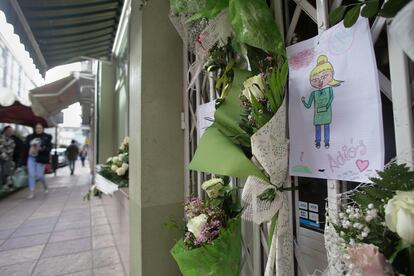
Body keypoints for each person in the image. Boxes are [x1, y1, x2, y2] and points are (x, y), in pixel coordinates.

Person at [301, 55, 343, 149]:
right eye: (315, 79)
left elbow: (331, 98)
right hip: (318, 114)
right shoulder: (313, 93)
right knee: (318, 127)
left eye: (324, 76)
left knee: (327, 126)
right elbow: (308, 105)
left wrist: (327, 106)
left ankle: (327, 142)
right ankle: (318, 142)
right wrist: (303, 101)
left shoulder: (329, 90)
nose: (319, 81)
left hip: (326, 112)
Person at [25, 123, 52, 199]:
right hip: (31, 157)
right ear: (35, 129)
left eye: (40, 128)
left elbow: (49, 148)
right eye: (37, 128)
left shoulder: (47, 137)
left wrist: (41, 148)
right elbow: (26, 147)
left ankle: (45, 186)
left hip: (40, 158)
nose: (38, 129)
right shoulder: (30, 137)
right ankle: (32, 192)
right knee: (31, 174)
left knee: (40, 175)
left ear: (43, 129)